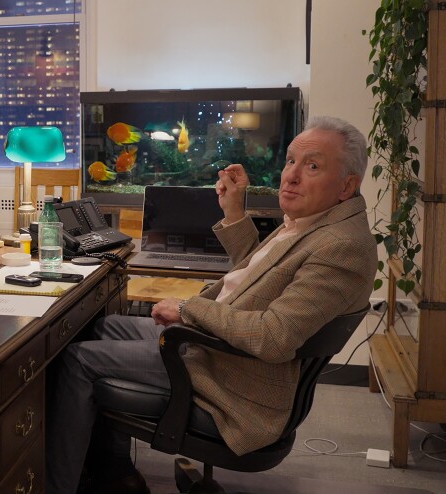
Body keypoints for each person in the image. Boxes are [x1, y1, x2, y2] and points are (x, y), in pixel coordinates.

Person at [45, 116, 378, 494]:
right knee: (102, 326)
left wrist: (188, 310)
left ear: (347, 185)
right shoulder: (318, 222)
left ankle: (57, 487)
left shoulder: (341, 247)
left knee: (76, 360)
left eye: (312, 166)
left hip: (232, 375)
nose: (291, 176)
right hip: (222, 346)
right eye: (290, 162)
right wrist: (235, 211)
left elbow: (273, 335)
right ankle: (115, 474)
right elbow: (261, 276)